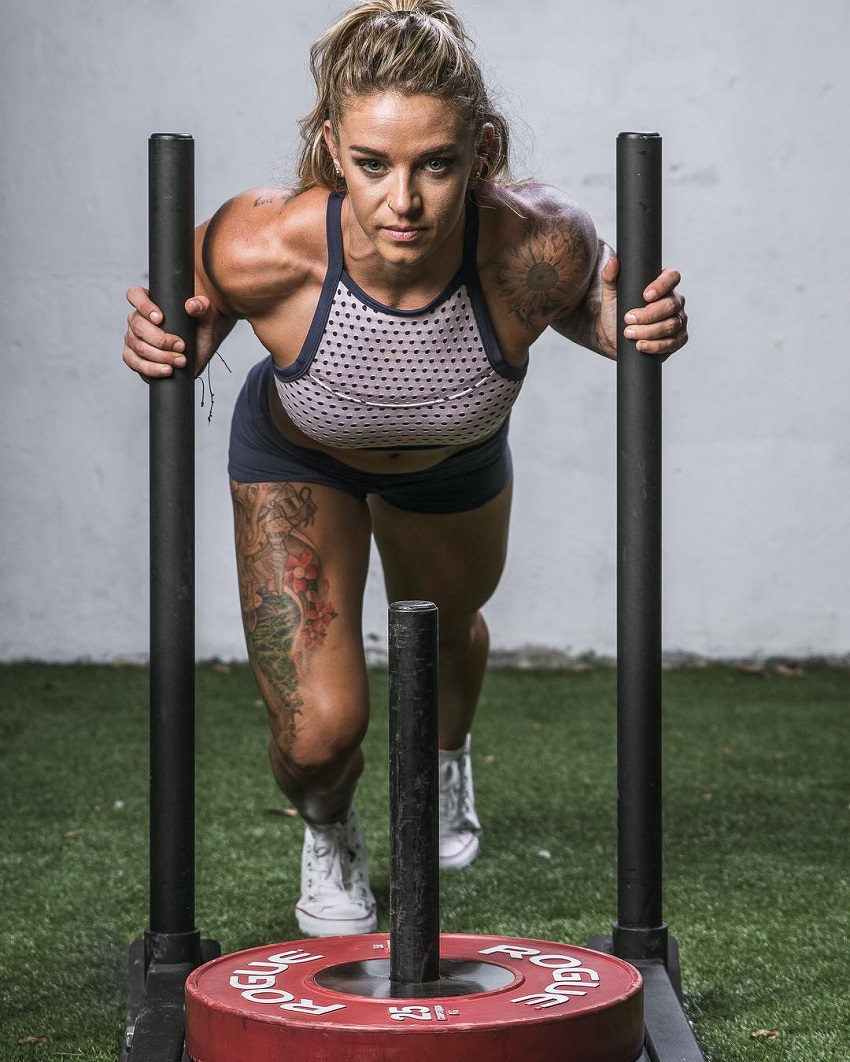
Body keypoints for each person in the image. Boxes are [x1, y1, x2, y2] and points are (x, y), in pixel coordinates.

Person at [123, 0, 688, 938]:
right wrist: (161, 336)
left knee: (451, 626)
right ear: (332, 150)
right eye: (374, 165)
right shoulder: (258, 244)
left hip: (455, 460)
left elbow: (597, 313)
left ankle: (446, 756)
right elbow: (194, 315)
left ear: (482, 149)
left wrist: (635, 326)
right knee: (316, 736)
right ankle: (331, 829)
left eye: (437, 163)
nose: (405, 201)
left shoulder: (537, 244)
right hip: (300, 457)